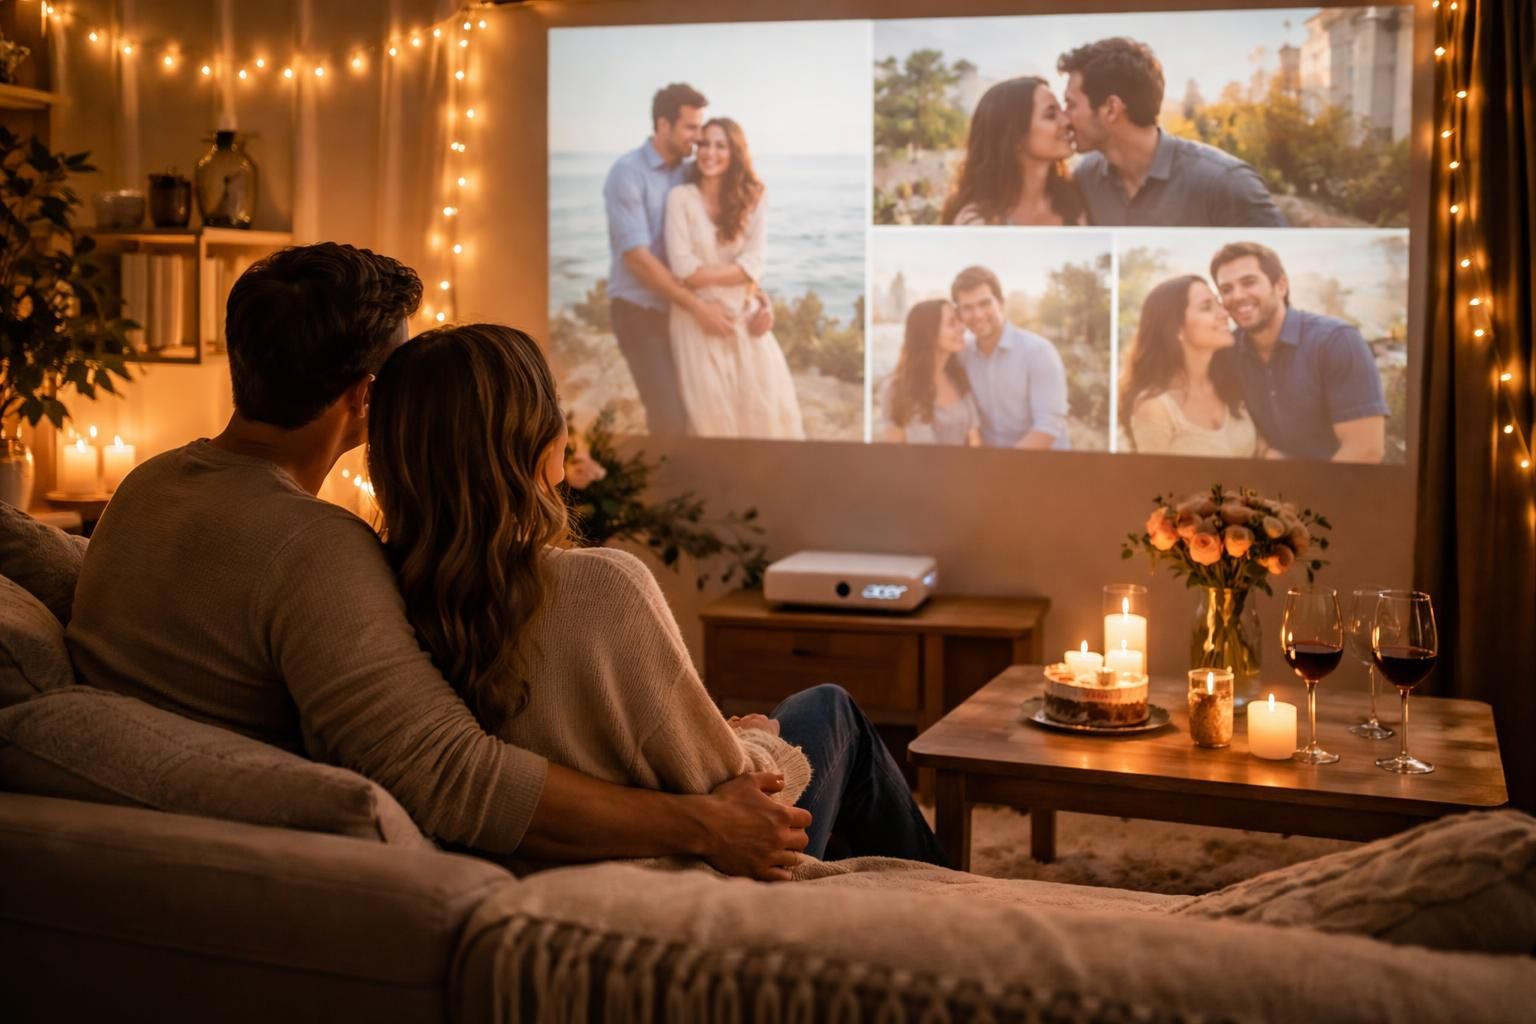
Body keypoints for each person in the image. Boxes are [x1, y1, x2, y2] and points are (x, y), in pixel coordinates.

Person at [65, 243, 811, 881]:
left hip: (139, 862)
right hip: (288, 880)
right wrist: (703, 825)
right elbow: (454, 776)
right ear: (367, 397)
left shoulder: (147, 486)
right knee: (826, 717)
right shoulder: (314, 549)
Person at [365, 323, 946, 867]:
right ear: (540, 444)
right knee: (829, 709)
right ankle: (952, 898)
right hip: (683, 872)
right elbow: (733, 790)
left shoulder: (371, 590)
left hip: (519, 868)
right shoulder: (598, 586)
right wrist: (750, 739)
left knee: (807, 711)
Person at [602, 83, 772, 434]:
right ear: (664, 125)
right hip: (642, 311)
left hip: (683, 312)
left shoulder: (690, 172)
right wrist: (698, 307)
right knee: (669, 415)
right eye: (691, 128)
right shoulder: (627, 174)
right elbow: (638, 259)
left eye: (701, 128)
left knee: (702, 413)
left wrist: (757, 296)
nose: (698, 139)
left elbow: (723, 247)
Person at [665, 118, 805, 439]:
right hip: (696, 321)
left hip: (745, 318)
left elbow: (754, 263)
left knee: (764, 420)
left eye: (720, 145)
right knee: (712, 422)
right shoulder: (680, 198)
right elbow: (682, 267)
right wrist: (737, 274)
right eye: (704, 144)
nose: (709, 153)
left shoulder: (753, 198)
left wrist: (739, 283)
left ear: (735, 152)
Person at [1056, 38, 1287, 228]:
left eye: (1071, 104)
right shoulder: (1085, 178)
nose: (1064, 117)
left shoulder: (1227, 184)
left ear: (1111, 109)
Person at [1211, 241, 1388, 463]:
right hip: (1268, 488)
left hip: (1342, 489)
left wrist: (1305, 495)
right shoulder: (1228, 352)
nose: (1237, 296)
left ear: (1281, 285)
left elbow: (1365, 450)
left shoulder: (1336, 341)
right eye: (1226, 289)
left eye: (1249, 282)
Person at [1120, 275, 1260, 457]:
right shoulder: (1156, 407)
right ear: (1177, 329)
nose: (1224, 313)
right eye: (1207, 307)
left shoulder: (1232, 382)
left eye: (1218, 304)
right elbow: (1149, 482)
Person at [950, 266, 1071, 450]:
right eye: (967, 307)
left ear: (1000, 302)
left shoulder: (1038, 352)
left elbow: (1048, 425)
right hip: (992, 465)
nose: (978, 315)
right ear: (959, 314)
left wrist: (1004, 468)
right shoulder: (961, 354)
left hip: (1044, 465)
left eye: (985, 303)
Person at [940, 76, 1085, 226]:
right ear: (1015, 136)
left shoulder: (1074, 203)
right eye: (1050, 115)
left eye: (1061, 110)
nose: (1067, 121)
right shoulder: (977, 222)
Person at [879, 299, 981, 446]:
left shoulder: (957, 377)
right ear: (929, 334)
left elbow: (974, 437)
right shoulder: (896, 389)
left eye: (960, 321)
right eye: (952, 323)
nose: (963, 328)